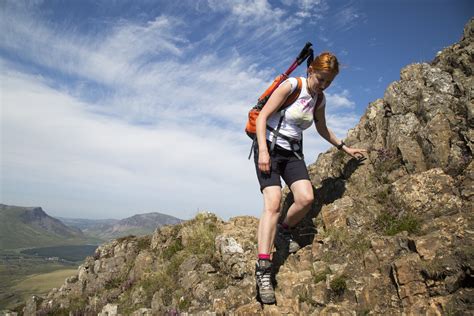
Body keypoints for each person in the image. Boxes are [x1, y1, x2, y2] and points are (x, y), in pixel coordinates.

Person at [253, 52, 366, 304]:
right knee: (272, 204)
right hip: (269, 149)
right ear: (310, 71)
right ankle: (263, 269)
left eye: (328, 82)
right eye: (321, 78)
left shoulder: (320, 99)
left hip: (292, 153)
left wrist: (345, 148)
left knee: (306, 199)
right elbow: (262, 117)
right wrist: (262, 151)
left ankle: (284, 231)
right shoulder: (292, 86)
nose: (323, 85)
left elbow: (322, 128)